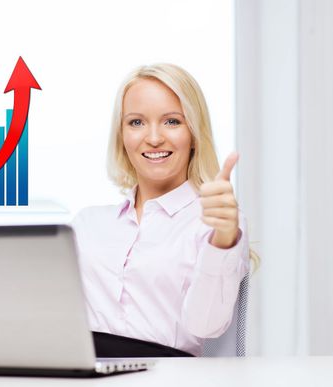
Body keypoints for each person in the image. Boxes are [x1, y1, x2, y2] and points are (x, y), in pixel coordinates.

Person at [70, 63, 260, 357]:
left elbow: (205, 325)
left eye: (172, 122)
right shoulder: (87, 225)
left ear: (194, 134)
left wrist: (223, 240)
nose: (154, 137)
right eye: (136, 122)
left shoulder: (214, 223)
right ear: (121, 135)